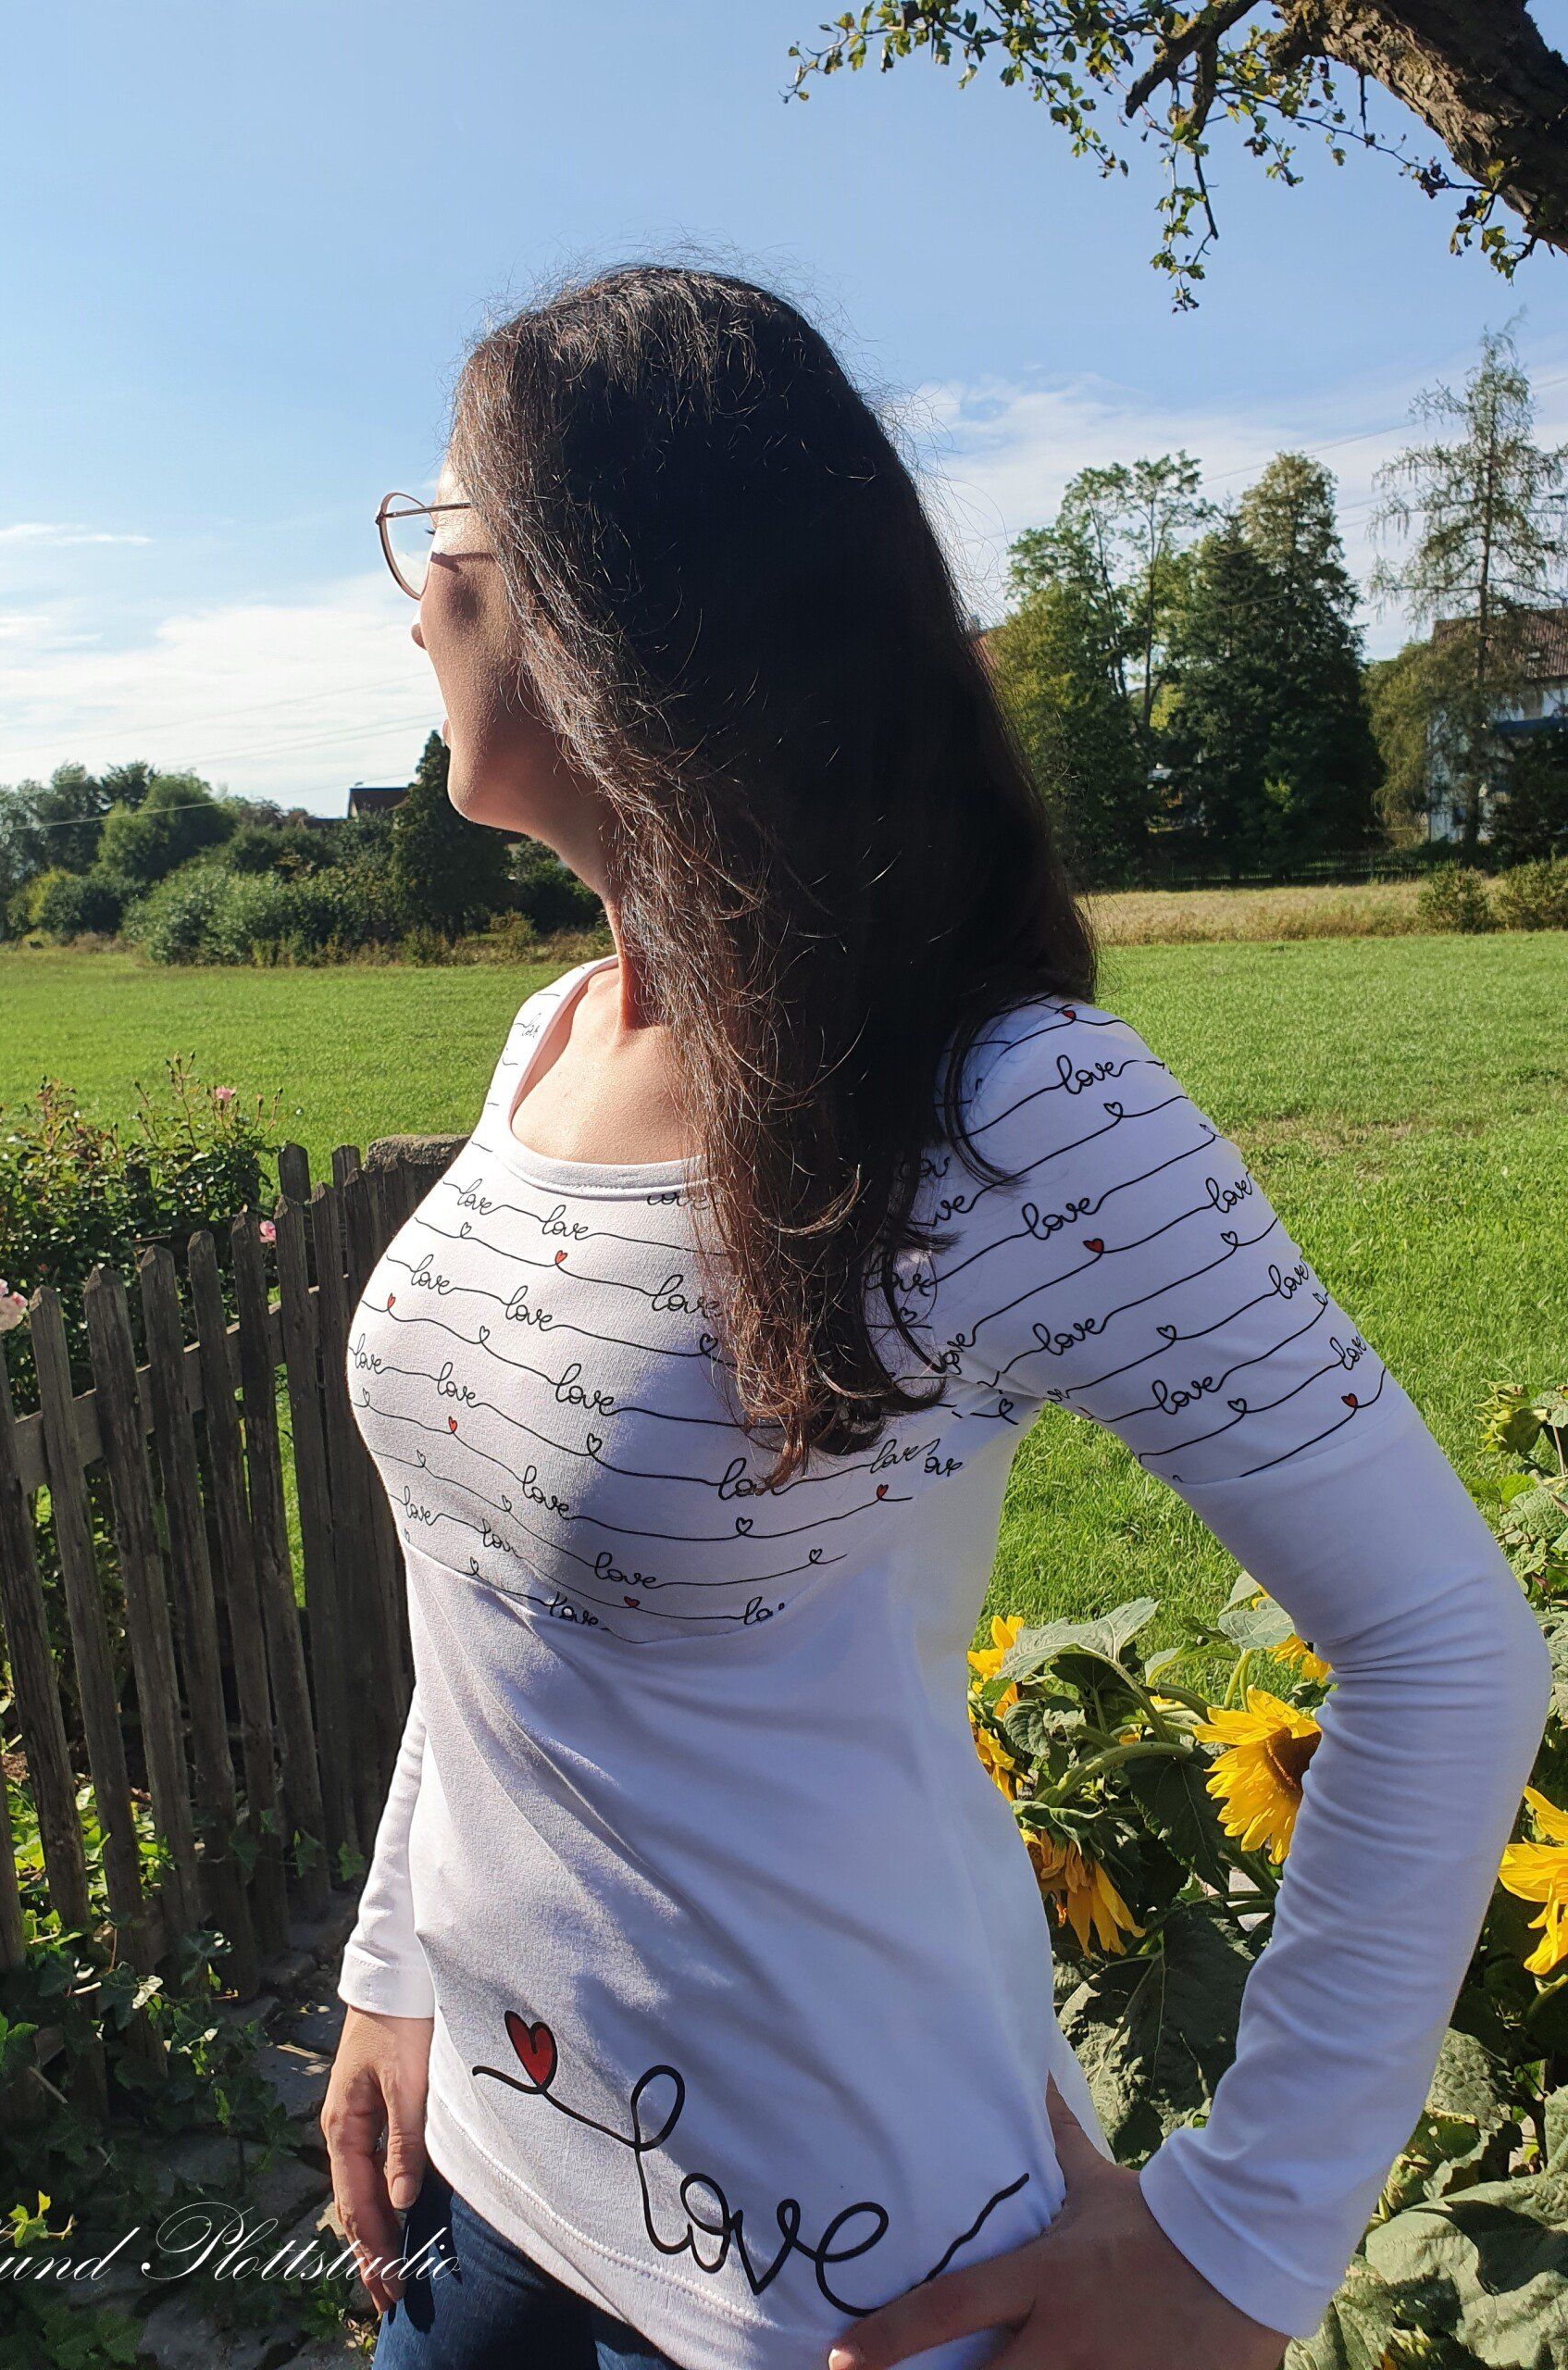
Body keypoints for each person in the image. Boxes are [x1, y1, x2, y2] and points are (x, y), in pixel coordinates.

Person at [318, 264, 1551, 2370]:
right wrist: (391, 1963)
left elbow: (1450, 1648)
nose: (414, 597)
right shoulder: (549, 1038)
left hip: (838, 2288)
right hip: (492, 2198)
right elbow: (494, 1580)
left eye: (443, 532)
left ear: (606, 610)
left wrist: (1241, 2250)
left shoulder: (1009, 1104)